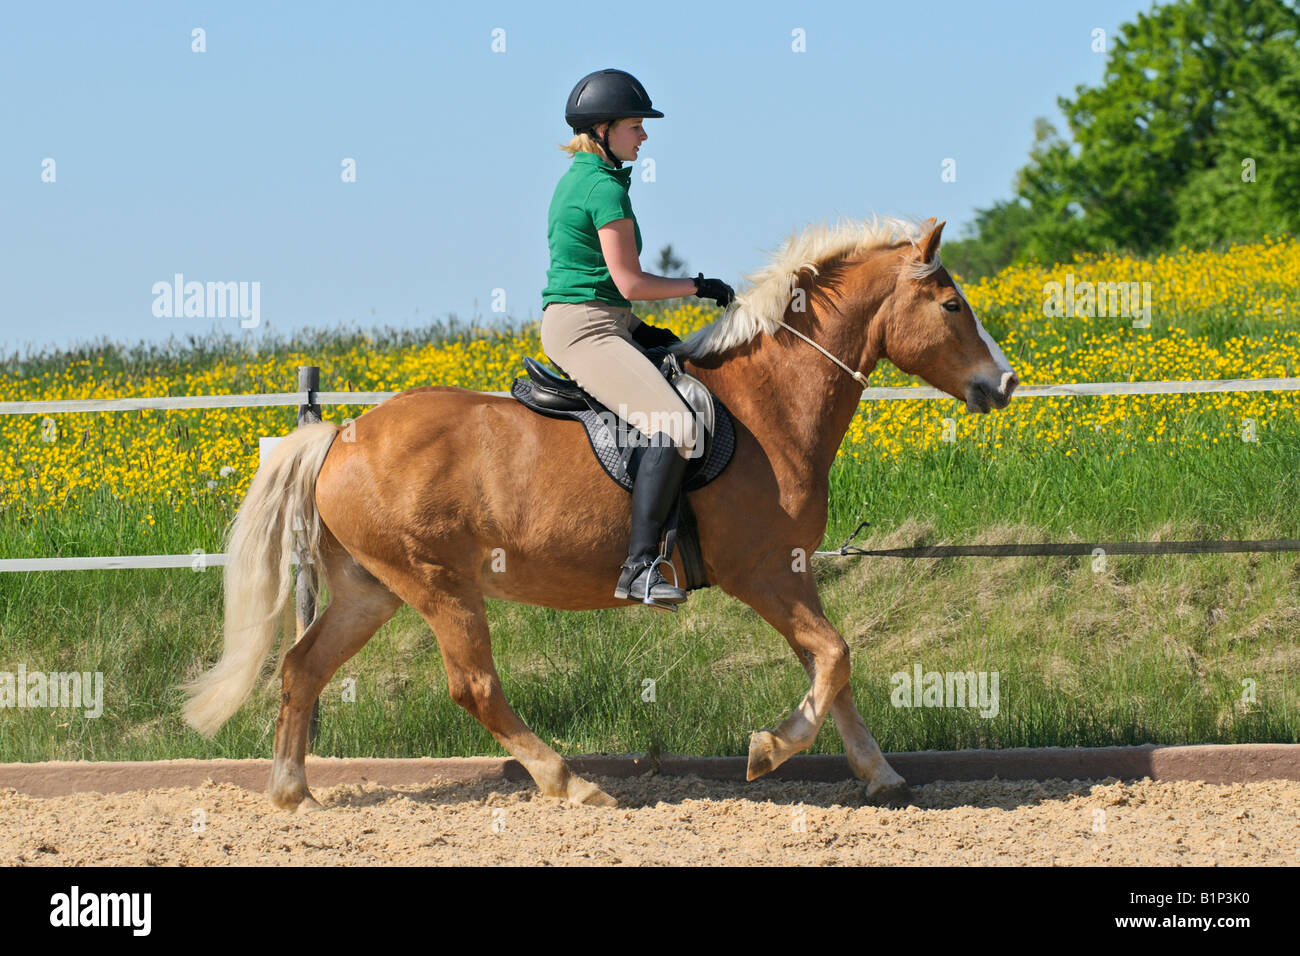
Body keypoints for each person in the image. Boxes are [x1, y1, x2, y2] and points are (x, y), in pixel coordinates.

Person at [540, 68, 735, 608]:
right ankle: (640, 568)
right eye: (635, 125)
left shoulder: (582, 177)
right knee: (674, 421)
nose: (644, 136)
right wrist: (697, 285)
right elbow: (630, 281)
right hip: (588, 328)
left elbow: (612, 287)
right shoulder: (603, 188)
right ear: (602, 129)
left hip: (606, 319)